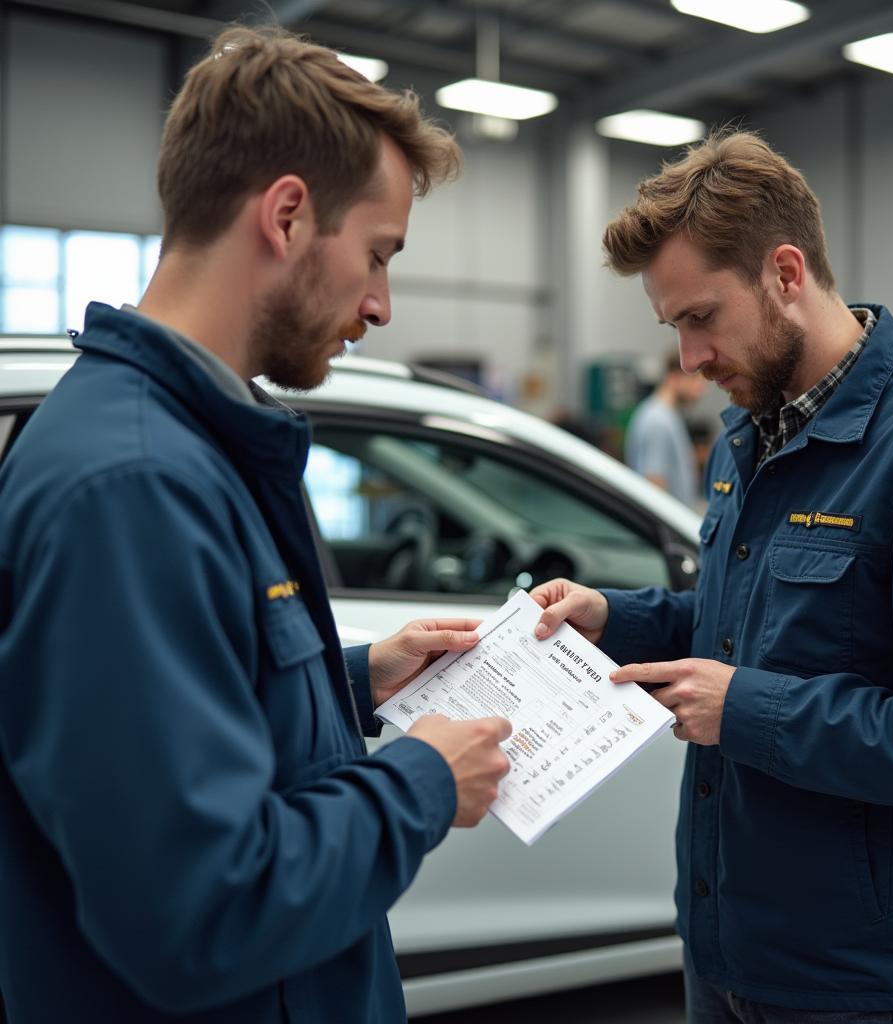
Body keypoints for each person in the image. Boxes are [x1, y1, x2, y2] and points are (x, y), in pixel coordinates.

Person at [0, 26, 513, 1024]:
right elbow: (200, 910)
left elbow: (194, 712)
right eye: (376, 254)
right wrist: (419, 782)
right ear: (285, 215)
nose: (380, 303)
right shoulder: (134, 484)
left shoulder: (185, 445)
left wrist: (352, 677)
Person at [530, 130, 893, 1023]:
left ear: (786, 275)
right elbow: (744, 630)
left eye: (700, 317)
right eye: (672, 325)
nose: (687, 359)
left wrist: (747, 710)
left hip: (865, 989)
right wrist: (618, 619)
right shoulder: (751, 432)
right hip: (724, 953)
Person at [624, 350, 705, 506]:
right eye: (695, 379)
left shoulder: (669, 416)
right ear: (674, 377)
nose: (700, 389)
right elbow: (655, 484)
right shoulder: (657, 420)